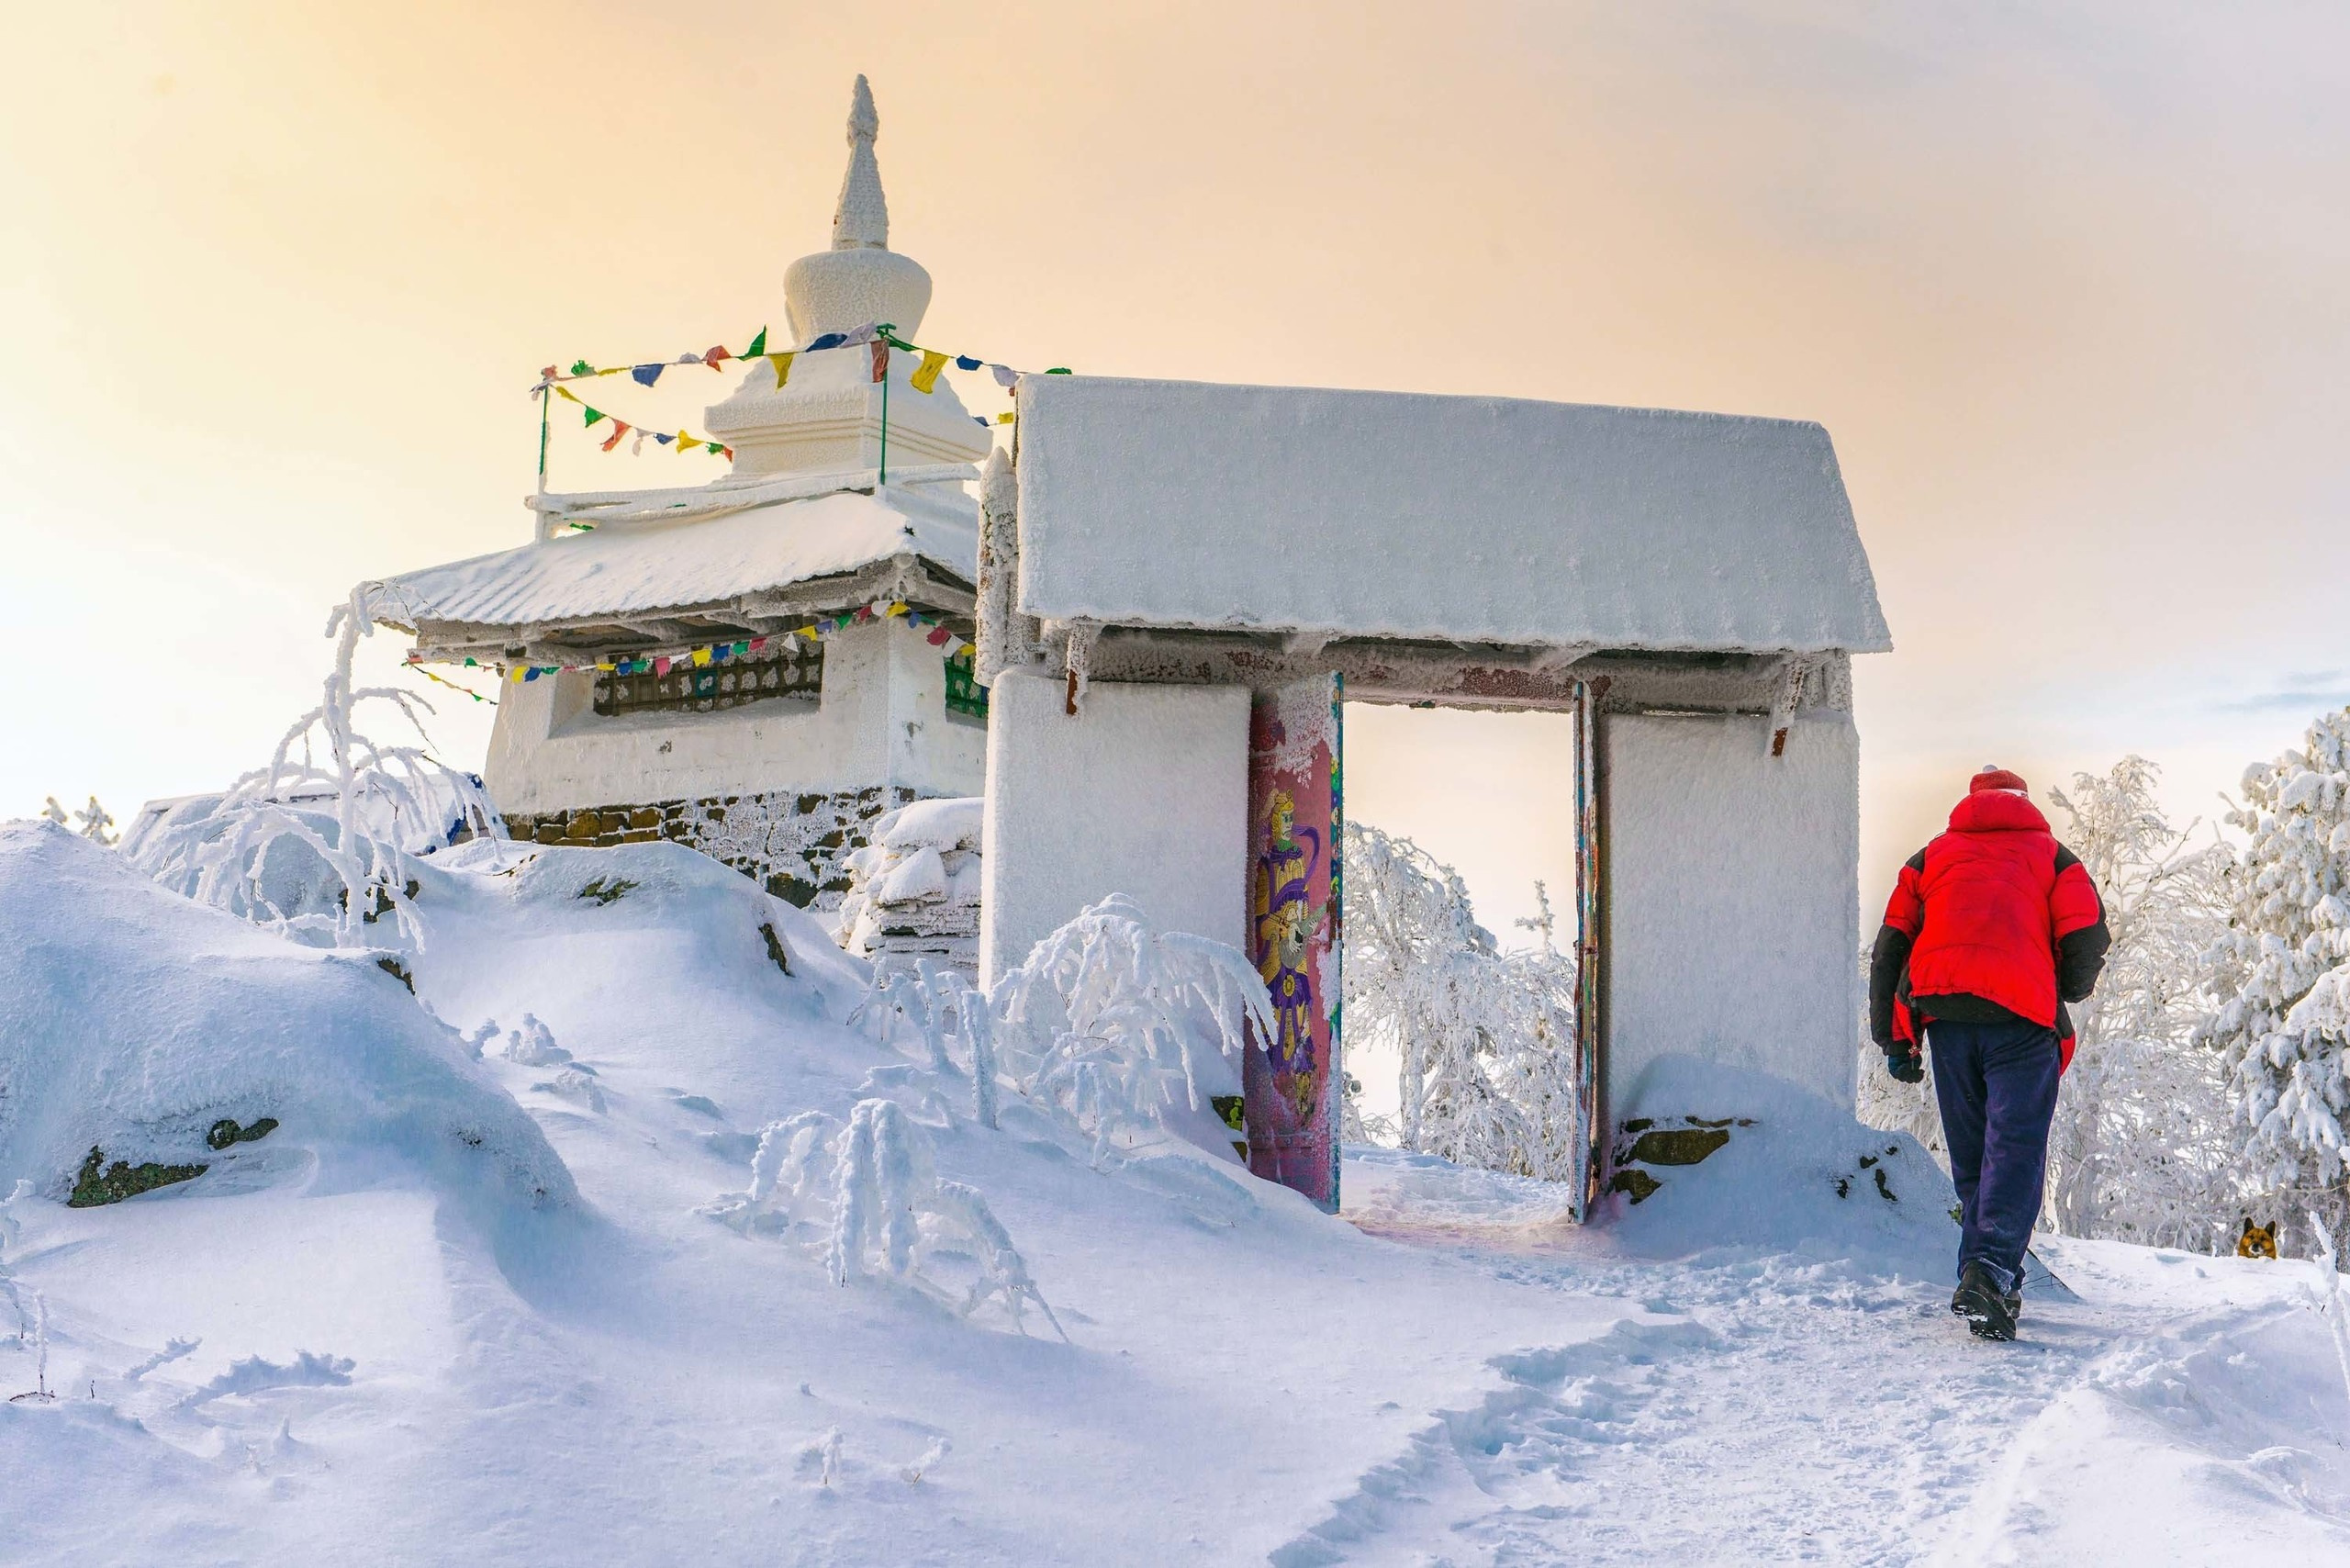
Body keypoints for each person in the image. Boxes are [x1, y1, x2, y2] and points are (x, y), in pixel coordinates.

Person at [1868, 765, 2109, 1341]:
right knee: (2016, 1148)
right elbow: (2087, 934)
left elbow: (1891, 947)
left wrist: (1893, 1038)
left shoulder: (1930, 858)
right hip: (2021, 1022)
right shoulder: (2053, 857)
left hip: (1947, 1018)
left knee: (1975, 1156)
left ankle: (1987, 1277)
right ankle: (1992, 1271)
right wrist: (2066, 987)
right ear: (2023, 803)